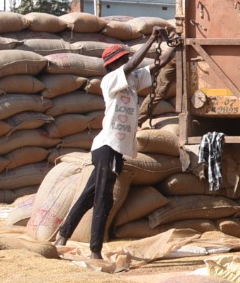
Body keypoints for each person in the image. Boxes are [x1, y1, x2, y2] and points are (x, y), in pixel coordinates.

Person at [57, 27, 178, 259]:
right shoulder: (110, 80)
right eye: (122, 60)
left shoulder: (132, 81)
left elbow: (159, 64)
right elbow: (132, 65)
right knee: (103, 198)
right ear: (113, 65)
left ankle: (63, 235)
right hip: (107, 147)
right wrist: (151, 39)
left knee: (89, 195)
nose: (125, 62)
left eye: (125, 58)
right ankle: (95, 250)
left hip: (115, 150)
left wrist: (175, 47)